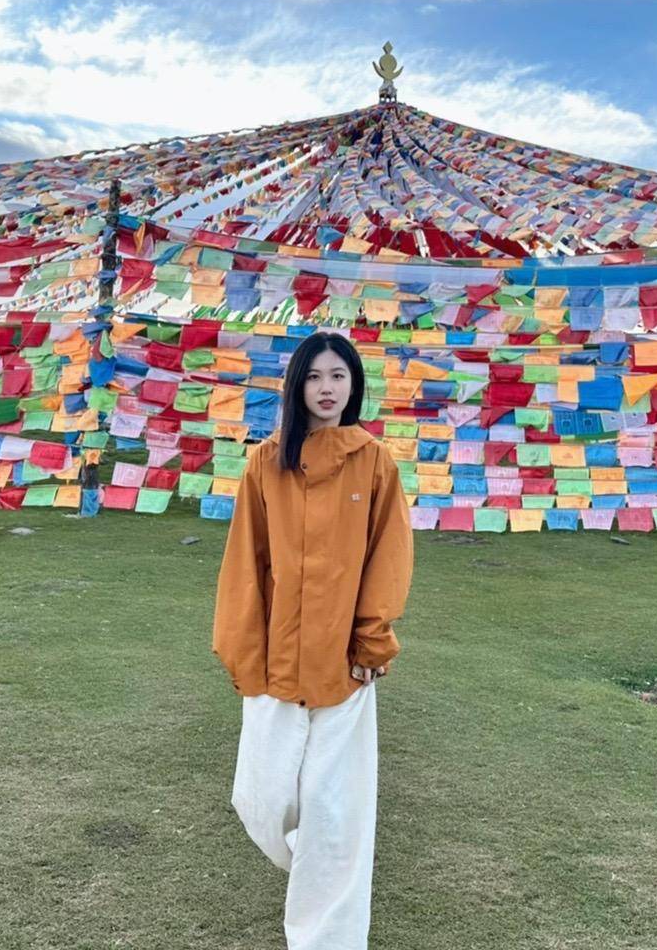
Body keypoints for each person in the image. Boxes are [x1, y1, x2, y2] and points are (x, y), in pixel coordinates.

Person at [213, 330, 414, 950]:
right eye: (315, 376)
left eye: (339, 377)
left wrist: (371, 642)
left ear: (353, 387)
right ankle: (313, 865)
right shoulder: (264, 462)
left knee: (337, 817)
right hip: (274, 658)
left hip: (345, 668)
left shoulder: (374, 462)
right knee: (260, 801)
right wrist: (240, 645)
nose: (327, 389)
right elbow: (246, 559)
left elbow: (389, 555)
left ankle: (327, 937)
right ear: (296, 385)